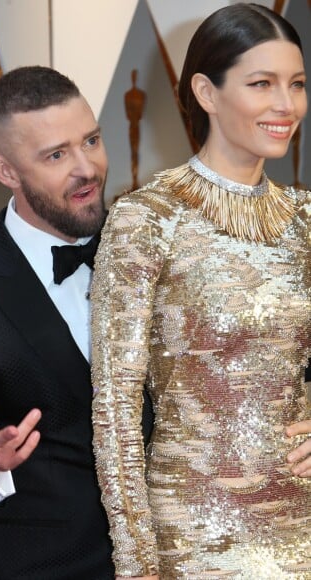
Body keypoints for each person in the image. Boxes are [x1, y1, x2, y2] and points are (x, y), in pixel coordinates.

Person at [91, 4, 310, 578]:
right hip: (193, 535)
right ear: (206, 92)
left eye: (297, 84)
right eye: (261, 84)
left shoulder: (306, 219)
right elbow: (114, 412)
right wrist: (138, 563)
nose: (285, 106)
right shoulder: (148, 219)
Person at [0, 65, 152, 579]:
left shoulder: (155, 249)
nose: (86, 168)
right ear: (6, 172)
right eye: (56, 155)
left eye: (91, 140)